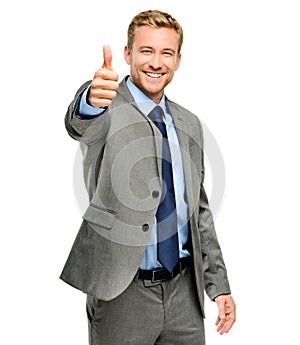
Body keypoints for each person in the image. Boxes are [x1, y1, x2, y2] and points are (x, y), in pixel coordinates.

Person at [60, 9, 236, 345]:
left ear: (178, 60)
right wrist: (89, 100)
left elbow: (198, 212)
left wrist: (219, 285)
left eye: (166, 53)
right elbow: (78, 124)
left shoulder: (189, 124)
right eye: (146, 51)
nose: (156, 62)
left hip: (185, 294)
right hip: (123, 294)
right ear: (128, 54)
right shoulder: (106, 107)